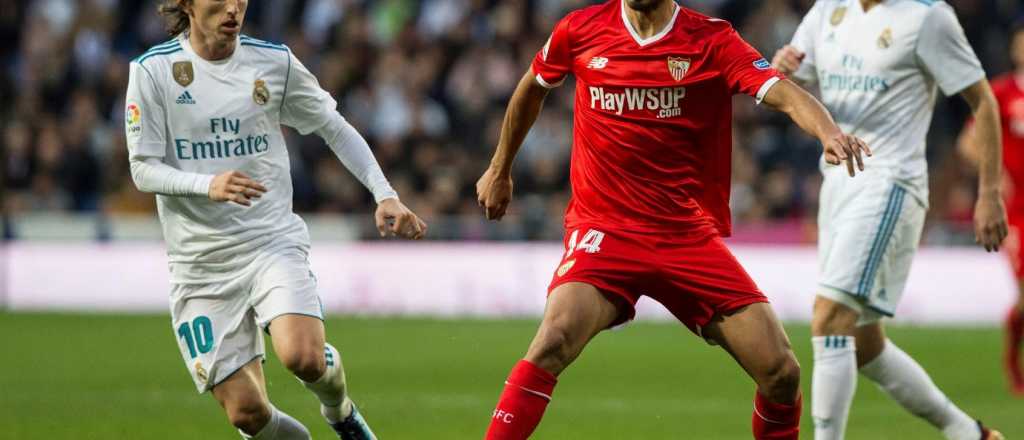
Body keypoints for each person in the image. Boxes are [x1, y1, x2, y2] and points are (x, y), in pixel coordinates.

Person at [475, 0, 872, 438]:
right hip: (605, 229)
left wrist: (828, 132)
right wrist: (499, 168)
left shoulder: (711, 40)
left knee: (781, 373)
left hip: (685, 236)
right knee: (553, 339)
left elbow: (783, 92)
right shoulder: (581, 29)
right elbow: (533, 85)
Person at [125, 1, 427, 439]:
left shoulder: (273, 62)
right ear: (187, 3)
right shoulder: (152, 72)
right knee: (247, 413)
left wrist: (385, 194)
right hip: (199, 265)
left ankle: (341, 411)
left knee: (303, 356)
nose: (234, 8)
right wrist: (206, 184)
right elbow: (142, 168)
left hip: (269, 241)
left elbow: (333, 126)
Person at [772, 0, 1007, 438]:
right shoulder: (828, 10)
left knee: (829, 317)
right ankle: (967, 433)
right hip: (838, 182)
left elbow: (984, 102)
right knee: (861, 343)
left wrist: (989, 193)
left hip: (889, 181)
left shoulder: (927, 17)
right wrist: (780, 69)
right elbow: (786, 88)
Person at [959, 21, 1024, 397]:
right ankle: (1013, 362)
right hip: (1015, 210)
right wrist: (995, 175)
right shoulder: (1000, 93)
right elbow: (967, 143)